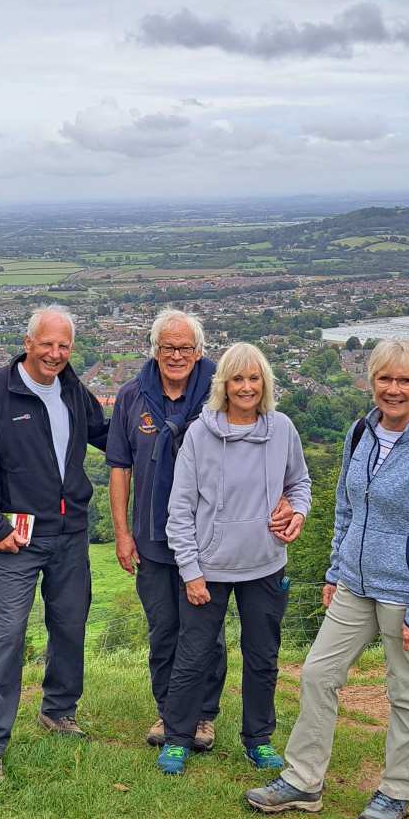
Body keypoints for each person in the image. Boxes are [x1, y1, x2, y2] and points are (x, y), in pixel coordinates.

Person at [245, 337, 409, 819]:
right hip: (355, 586)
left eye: (405, 380)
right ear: (370, 381)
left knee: (405, 693)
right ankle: (303, 781)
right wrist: (336, 570)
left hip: (403, 596)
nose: (393, 389)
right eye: (385, 378)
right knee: (319, 674)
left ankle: (398, 791)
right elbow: (347, 506)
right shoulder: (360, 433)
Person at [107, 311, 297, 752]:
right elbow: (120, 467)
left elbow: (274, 460)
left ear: (200, 351)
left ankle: (204, 717)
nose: (177, 356)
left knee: (206, 637)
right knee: (165, 630)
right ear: (154, 351)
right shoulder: (133, 396)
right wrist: (122, 533)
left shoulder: (222, 388)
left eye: (185, 348)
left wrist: (287, 499)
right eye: (168, 348)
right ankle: (171, 711)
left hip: (216, 541)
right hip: (155, 537)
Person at [0, 305, 109, 784]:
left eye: (64, 346)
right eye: (47, 344)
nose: (55, 353)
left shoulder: (72, 388)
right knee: (7, 634)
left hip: (70, 531)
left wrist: (161, 433)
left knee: (69, 625)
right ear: (28, 343)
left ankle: (58, 710)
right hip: (18, 538)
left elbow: (106, 435)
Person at [157, 342, 310, 776]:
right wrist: (191, 572)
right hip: (210, 568)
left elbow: (300, 484)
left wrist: (297, 512)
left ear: (265, 384)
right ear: (223, 385)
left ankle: (258, 739)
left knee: (262, 657)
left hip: (265, 564)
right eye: (237, 379)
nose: (246, 387)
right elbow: (180, 509)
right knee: (193, 656)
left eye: (254, 378)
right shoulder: (200, 436)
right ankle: (177, 738)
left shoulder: (282, 429)